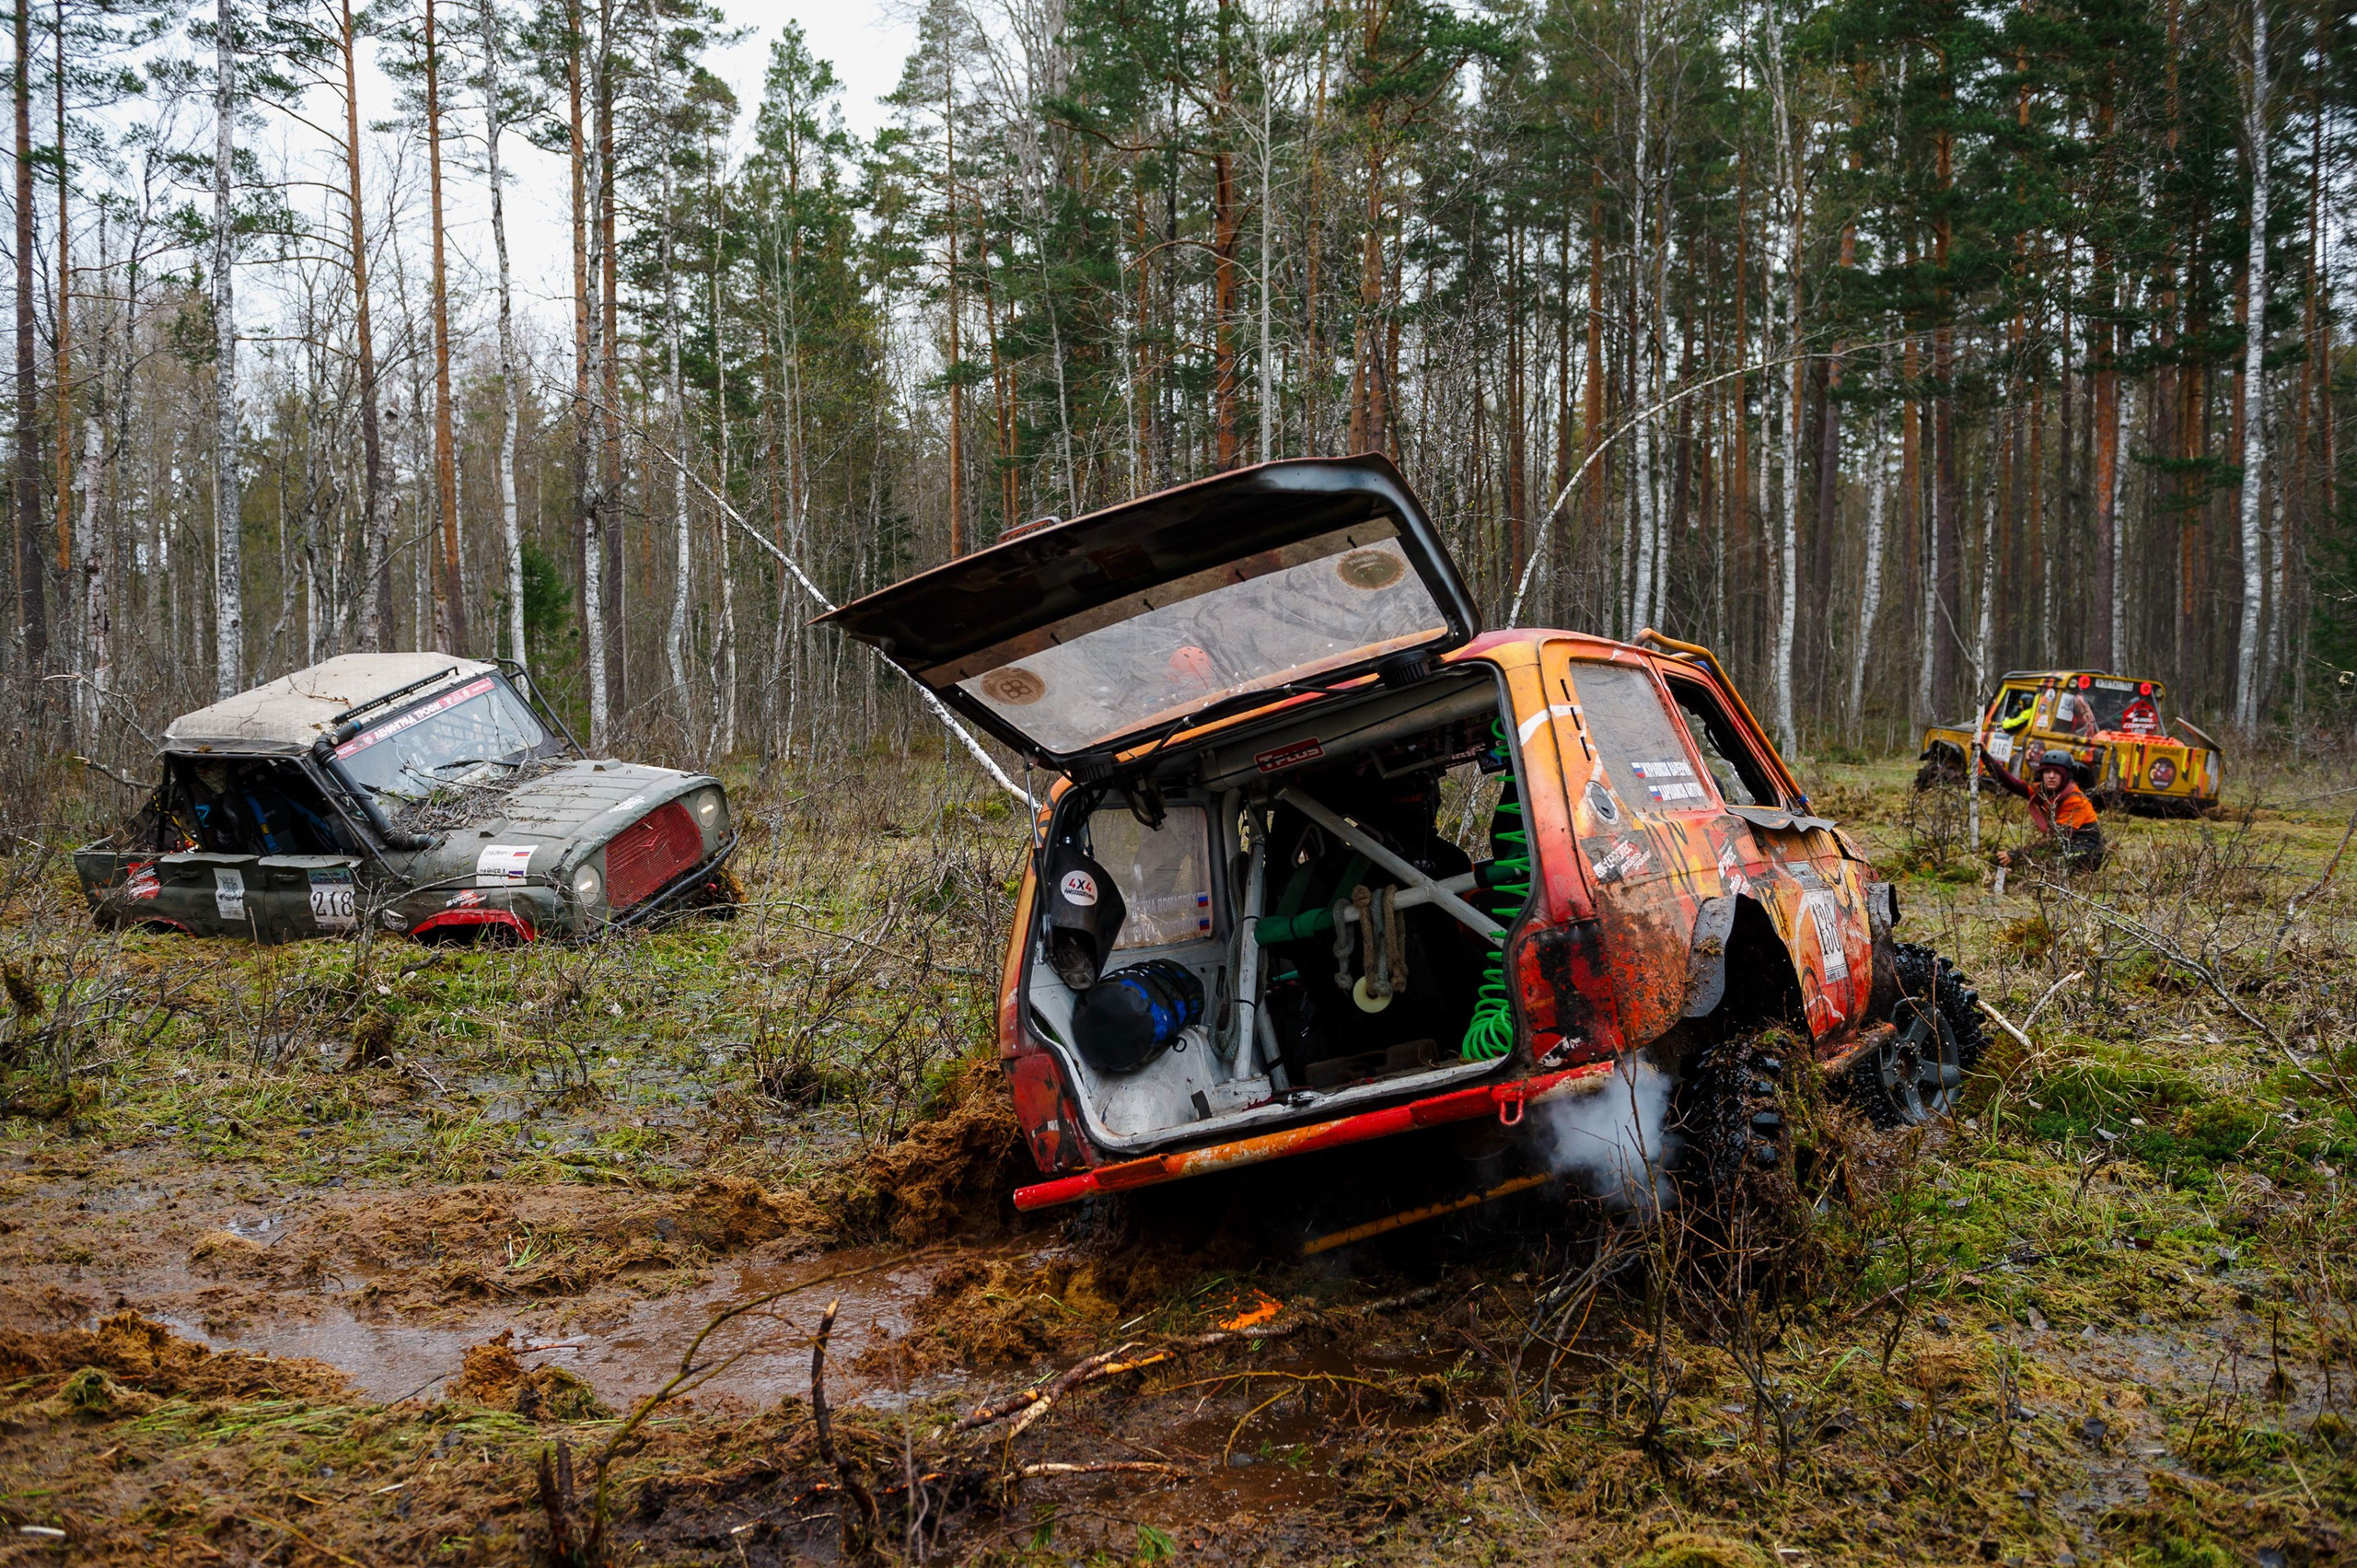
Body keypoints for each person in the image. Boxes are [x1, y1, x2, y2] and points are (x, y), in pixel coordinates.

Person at [1982, 747, 2104, 873]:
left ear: (2066, 776)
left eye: (2057, 773)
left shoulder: (2075, 800)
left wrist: (2016, 854)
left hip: (2086, 851)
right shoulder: (2043, 791)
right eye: (2047, 772)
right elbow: (2010, 783)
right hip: (2063, 846)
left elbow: (2057, 839)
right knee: (2034, 860)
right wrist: (1984, 755)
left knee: (2044, 864)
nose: (2051, 776)